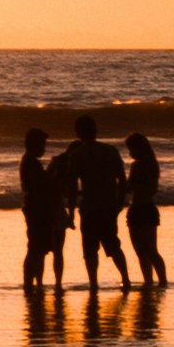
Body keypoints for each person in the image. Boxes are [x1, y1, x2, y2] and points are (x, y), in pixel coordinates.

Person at [67, 115, 130, 288]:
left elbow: (73, 188)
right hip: (108, 205)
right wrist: (120, 202)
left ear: (78, 133)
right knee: (113, 245)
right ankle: (125, 278)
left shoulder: (76, 155)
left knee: (89, 249)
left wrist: (70, 214)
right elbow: (122, 179)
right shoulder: (110, 150)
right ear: (95, 131)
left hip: (89, 207)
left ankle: (93, 282)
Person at [15, 125, 68, 288]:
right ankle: (30, 283)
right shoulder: (31, 163)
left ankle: (34, 283)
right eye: (42, 145)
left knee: (38, 248)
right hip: (37, 210)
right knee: (36, 249)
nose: (44, 149)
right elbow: (43, 186)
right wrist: (54, 172)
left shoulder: (30, 162)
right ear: (34, 145)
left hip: (34, 209)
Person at [126, 131, 170, 285]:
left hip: (146, 208)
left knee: (151, 250)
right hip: (134, 208)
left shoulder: (150, 165)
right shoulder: (134, 165)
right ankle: (148, 281)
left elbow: (152, 189)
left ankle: (163, 280)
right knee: (140, 251)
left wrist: (131, 186)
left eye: (132, 149)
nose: (130, 153)